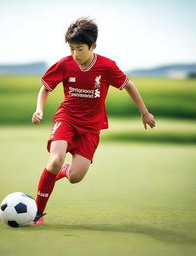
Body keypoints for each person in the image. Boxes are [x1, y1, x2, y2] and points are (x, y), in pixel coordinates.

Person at [31, 17, 156, 225]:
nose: (75, 54)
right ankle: (37, 213)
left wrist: (144, 112)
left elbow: (128, 85)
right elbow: (45, 88)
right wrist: (39, 109)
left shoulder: (107, 66)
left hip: (91, 128)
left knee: (75, 177)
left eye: (80, 49)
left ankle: (61, 172)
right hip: (67, 118)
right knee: (55, 160)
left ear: (93, 46)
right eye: (71, 48)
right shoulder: (65, 64)